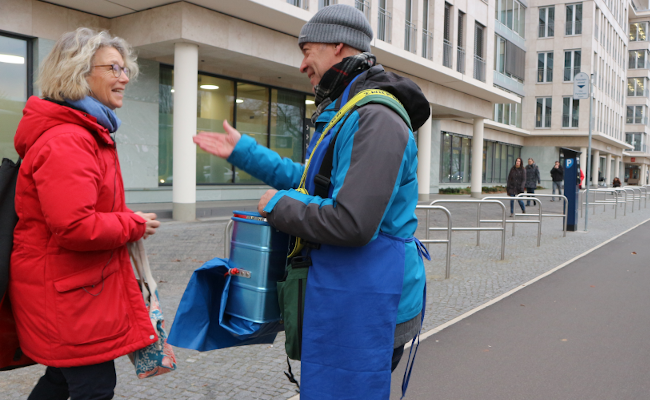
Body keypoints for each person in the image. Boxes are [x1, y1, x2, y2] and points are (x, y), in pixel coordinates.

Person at [194, 5, 429, 399]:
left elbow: (352, 222)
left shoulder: (375, 116)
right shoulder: (348, 109)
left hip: (372, 301)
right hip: (351, 292)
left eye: (307, 50)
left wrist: (278, 206)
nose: (302, 63)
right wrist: (244, 152)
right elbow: (312, 180)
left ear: (338, 45)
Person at [10, 28, 161, 400]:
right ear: (78, 71)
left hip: (73, 292)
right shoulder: (69, 138)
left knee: (61, 381)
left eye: (126, 70)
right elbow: (75, 226)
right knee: (94, 389)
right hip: (69, 296)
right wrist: (133, 224)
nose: (124, 78)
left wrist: (126, 218)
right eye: (114, 68)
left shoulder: (84, 131)